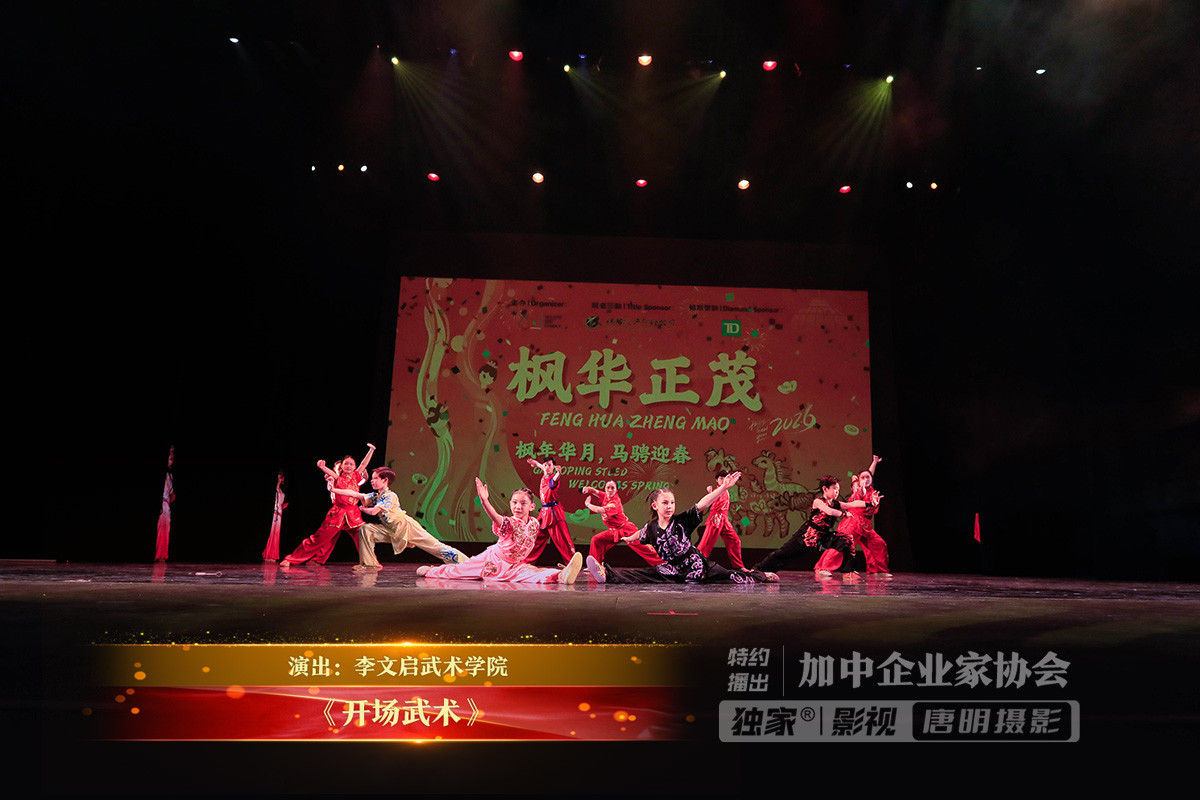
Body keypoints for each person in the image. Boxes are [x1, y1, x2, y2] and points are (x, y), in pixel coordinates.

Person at [587, 472, 777, 585]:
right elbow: (640, 533)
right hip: (672, 570)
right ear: (655, 506)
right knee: (642, 574)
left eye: (672, 502)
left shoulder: (681, 521)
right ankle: (606, 574)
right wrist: (629, 538)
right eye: (665, 503)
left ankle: (763, 576)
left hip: (698, 567)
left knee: (733, 577)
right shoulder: (652, 527)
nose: (670, 506)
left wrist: (723, 488)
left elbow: (702, 504)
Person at [418, 478, 583, 584]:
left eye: (523, 503)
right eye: (514, 502)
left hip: (514, 565)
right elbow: (496, 517)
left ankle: (561, 575)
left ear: (532, 506)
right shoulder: (510, 523)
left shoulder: (533, 523)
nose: (518, 506)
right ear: (510, 504)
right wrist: (484, 501)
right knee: (457, 572)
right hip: (491, 561)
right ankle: (431, 571)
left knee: (533, 575)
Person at [329, 466, 468, 571]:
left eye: (375, 478)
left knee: (435, 547)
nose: (372, 480)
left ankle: (466, 563)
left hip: (406, 528)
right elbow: (353, 493)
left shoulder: (390, 496)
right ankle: (370, 564)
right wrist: (333, 490)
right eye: (372, 478)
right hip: (391, 530)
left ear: (385, 480)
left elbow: (374, 511)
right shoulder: (377, 496)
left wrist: (363, 509)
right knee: (366, 529)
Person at [751, 475, 873, 579]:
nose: (837, 492)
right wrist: (844, 514)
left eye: (838, 489)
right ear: (825, 489)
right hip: (807, 536)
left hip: (823, 536)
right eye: (834, 489)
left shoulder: (835, 503)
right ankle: (758, 569)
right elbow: (829, 511)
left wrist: (870, 503)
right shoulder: (818, 501)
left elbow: (852, 504)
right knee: (785, 554)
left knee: (847, 540)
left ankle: (848, 572)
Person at [280, 443, 376, 567]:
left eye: (351, 464)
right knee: (320, 539)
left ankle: (372, 562)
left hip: (353, 515)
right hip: (338, 514)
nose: (348, 466)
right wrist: (322, 467)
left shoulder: (356, 477)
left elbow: (363, 464)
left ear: (354, 467)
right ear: (342, 466)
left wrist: (371, 450)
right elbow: (330, 473)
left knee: (363, 536)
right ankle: (292, 559)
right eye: (346, 464)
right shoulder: (338, 478)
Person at [580, 481, 662, 582]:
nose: (610, 490)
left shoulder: (615, 502)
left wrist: (588, 504)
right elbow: (595, 492)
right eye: (608, 488)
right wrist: (587, 489)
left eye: (612, 488)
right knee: (597, 540)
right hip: (615, 531)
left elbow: (598, 510)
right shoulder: (606, 496)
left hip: (626, 529)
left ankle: (663, 564)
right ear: (605, 488)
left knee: (644, 547)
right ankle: (595, 565)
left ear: (616, 490)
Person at [838, 455, 890, 576]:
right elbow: (860, 492)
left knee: (878, 545)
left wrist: (875, 462)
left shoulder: (871, 490)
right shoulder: (859, 489)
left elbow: (868, 474)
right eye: (863, 478)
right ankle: (824, 567)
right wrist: (860, 488)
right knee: (843, 545)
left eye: (868, 477)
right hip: (854, 523)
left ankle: (877, 570)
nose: (866, 479)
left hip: (866, 526)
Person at [522, 456, 577, 566]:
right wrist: (535, 463)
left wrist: (559, 473)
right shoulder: (545, 473)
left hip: (554, 513)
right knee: (537, 537)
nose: (546, 467)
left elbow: (555, 479)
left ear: (553, 467)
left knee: (561, 539)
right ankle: (526, 562)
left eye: (549, 465)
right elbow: (542, 467)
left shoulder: (552, 479)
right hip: (544, 513)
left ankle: (572, 563)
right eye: (545, 465)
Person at [696, 469, 747, 570]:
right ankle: (694, 564)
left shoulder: (726, 490)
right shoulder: (718, 490)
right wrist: (710, 493)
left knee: (735, 541)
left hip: (724, 519)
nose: (723, 480)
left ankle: (739, 567)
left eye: (725, 478)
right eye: (721, 478)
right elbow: (711, 501)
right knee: (706, 544)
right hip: (716, 518)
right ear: (717, 480)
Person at [154, 445, 175, 562]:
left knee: (165, 531)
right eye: (169, 457)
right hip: (163, 503)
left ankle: (162, 555)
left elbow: (171, 493)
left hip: (166, 504)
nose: (170, 459)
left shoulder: (170, 476)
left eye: (171, 457)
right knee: (161, 530)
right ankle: (158, 555)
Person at [262, 470, 286, 562]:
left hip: (279, 513)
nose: (280, 479)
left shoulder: (281, 491)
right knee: (272, 532)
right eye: (278, 477)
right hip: (275, 513)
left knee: (276, 534)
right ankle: (268, 554)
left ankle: (272, 554)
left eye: (280, 477)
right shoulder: (276, 490)